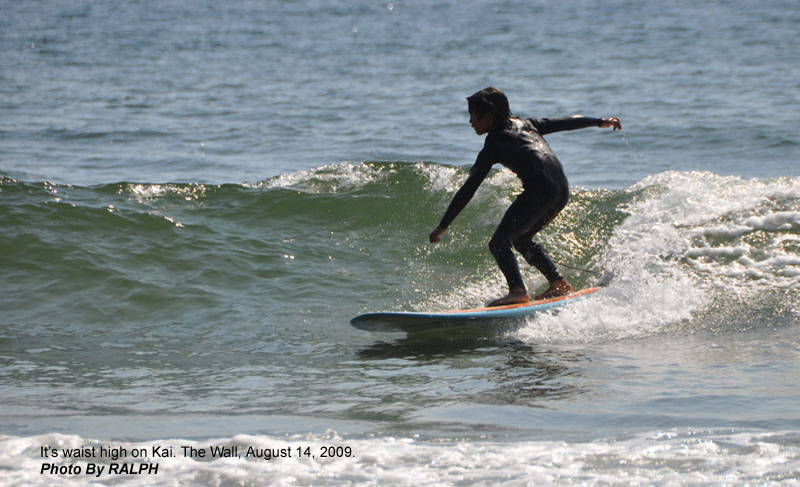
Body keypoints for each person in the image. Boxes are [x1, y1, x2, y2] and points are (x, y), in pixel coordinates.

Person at [429, 87, 621, 307]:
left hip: (540, 191)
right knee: (520, 238)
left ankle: (517, 291)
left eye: (472, 115)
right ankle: (558, 283)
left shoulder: (494, 143)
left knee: (499, 243)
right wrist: (600, 121)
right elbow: (565, 122)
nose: (470, 121)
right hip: (560, 188)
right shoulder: (528, 124)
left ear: (488, 115)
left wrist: (442, 226)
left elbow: (469, 188)